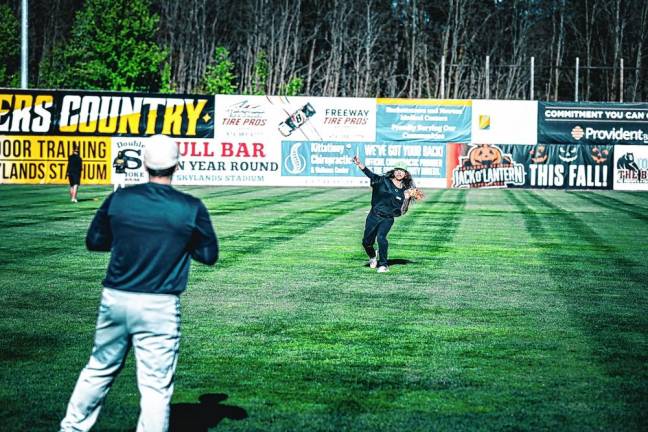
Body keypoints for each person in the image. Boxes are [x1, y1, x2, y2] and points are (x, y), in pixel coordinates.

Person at [60, 134, 219, 432]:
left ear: (144, 164)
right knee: (156, 387)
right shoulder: (190, 207)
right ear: (177, 165)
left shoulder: (120, 198)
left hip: (116, 298)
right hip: (160, 305)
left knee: (98, 369)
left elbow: (95, 242)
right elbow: (208, 255)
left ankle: (70, 429)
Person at [352, 155, 422, 273]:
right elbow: (371, 174)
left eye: (402, 171)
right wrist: (360, 164)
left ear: (406, 174)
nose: (399, 173)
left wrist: (406, 198)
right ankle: (373, 256)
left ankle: (384, 265)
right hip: (374, 215)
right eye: (397, 170)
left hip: (388, 219)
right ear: (394, 172)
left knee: (381, 238)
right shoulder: (383, 181)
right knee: (366, 242)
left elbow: (401, 212)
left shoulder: (405, 191)